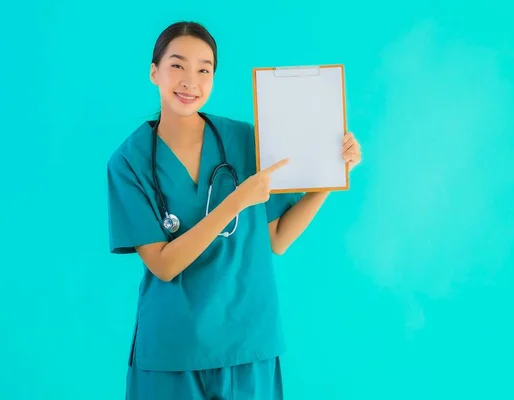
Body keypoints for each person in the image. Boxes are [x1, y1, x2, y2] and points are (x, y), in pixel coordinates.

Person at [107, 20, 362, 400]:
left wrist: (329, 178)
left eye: (203, 69)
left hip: (247, 343)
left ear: (213, 78)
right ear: (154, 72)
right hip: (173, 349)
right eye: (177, 65)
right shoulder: (129, 162)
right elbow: (162, 263)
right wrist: (236, 202)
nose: (189, 80)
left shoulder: (246, 140)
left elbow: (278, 238)